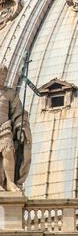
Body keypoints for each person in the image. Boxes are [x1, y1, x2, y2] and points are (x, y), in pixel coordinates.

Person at [0, 64, 32, 192]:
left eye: (4, 76)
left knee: (8, 152)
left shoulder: (10, 94)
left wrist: (21, 125)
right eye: (0, 75)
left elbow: (18, 112)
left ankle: (10, 182)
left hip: (4, 128)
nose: (2, 78)